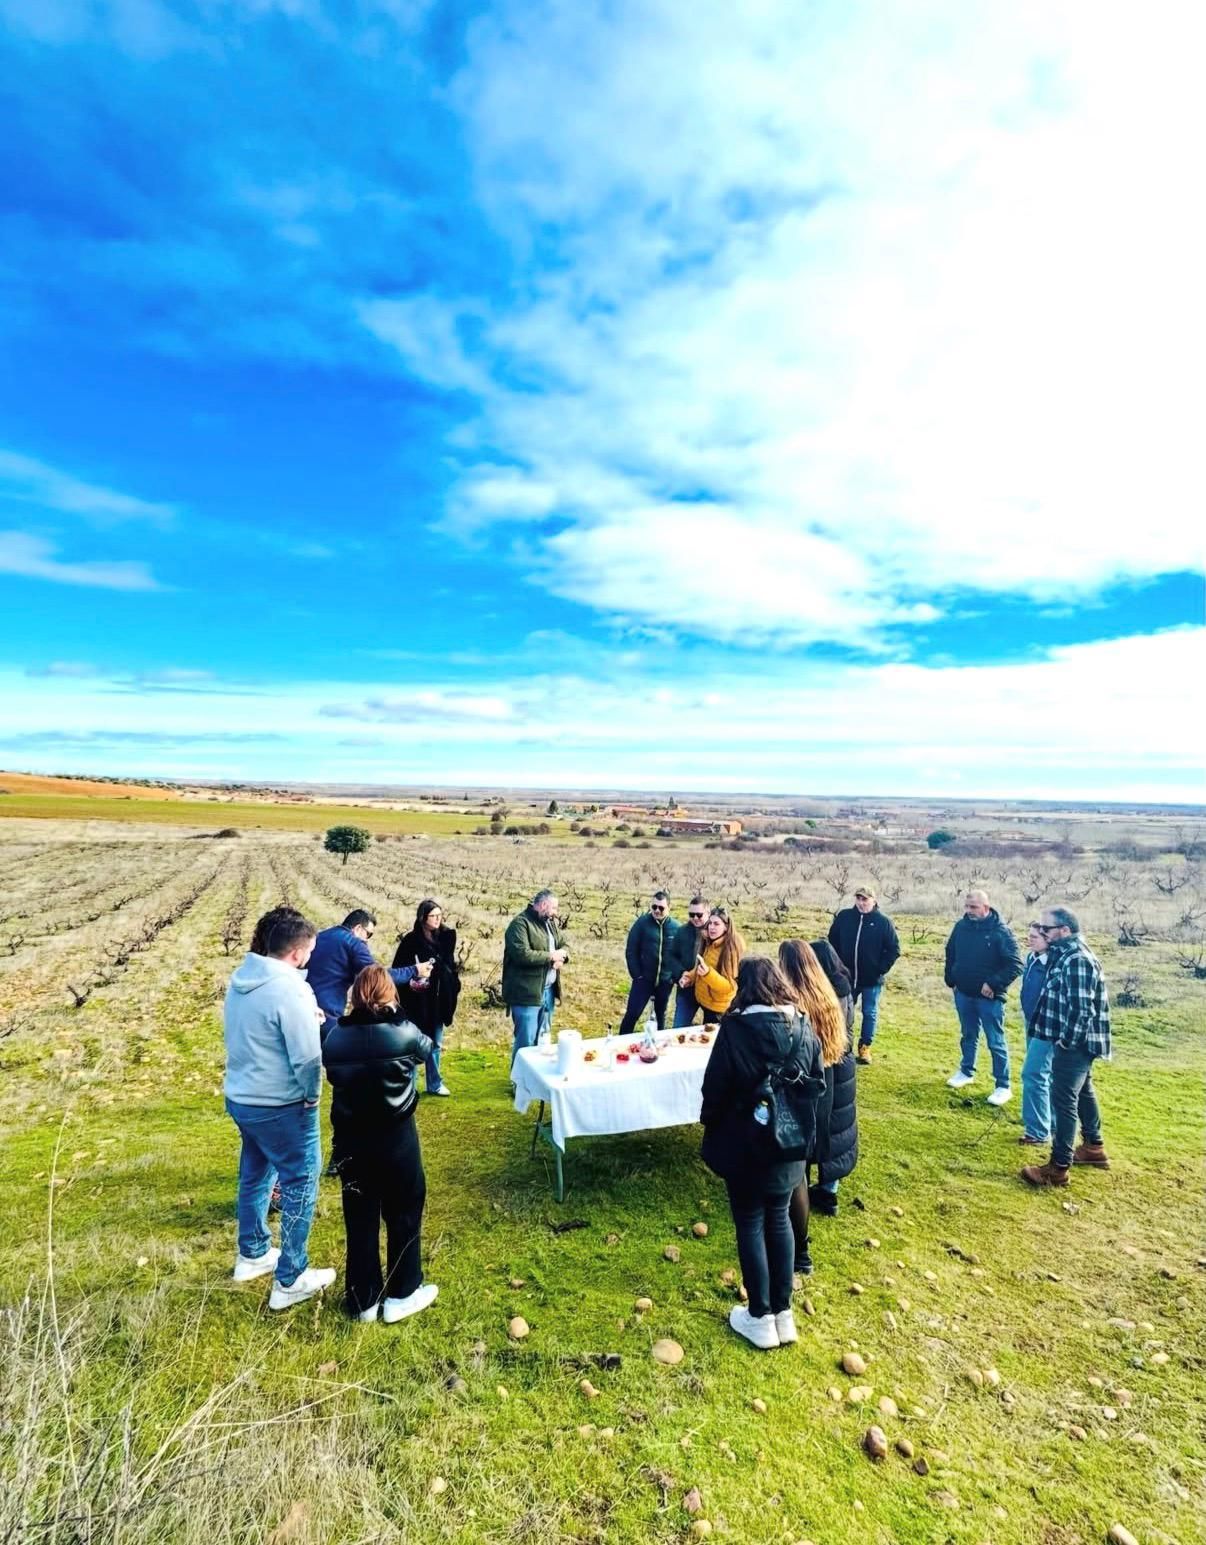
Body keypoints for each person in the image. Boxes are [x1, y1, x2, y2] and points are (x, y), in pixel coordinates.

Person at [700, 957, 824, 1350]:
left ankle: (759, 1315)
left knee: (751, 1221)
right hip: (790, 1143)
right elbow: (816, 1082)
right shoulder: (804, 1027)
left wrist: (714, 1121)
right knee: (779, 1219)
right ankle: (782, 1315)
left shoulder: (736, 1030)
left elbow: (714, 1087)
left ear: (746, 987)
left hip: (746, 1142)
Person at [223, 907, 336, 1310]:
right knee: (301, 1180)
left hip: (243, 1097)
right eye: (310, 951)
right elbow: (307, 1058)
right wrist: (312, 1095)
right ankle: (291, 1276)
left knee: (255, 1174)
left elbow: (261, 1028)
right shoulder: (292, 989)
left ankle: (252, 1254)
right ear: (297, 953)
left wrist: (310, 1016)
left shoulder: (242, 980)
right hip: (282, 1103)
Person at [322, 965, 439, 1321]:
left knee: (359, 1216)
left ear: (355, 995)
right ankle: (403, 1292)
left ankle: (363, 1299)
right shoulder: (403, 1032)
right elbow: (427, 1048)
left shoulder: (335, 1038)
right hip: (396, 1135)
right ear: (389, 993)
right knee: (404, 1210)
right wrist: (398, 1012)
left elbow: (330, 1067)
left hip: (352, 1137)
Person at [1021, 908, 1112, 1188]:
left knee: (1064, 1101)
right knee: (1084, 1092)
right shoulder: (1066, 955)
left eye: (1046, 928)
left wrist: (1065, 1042)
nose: (1042, 932)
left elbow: (1081, 1010)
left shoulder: (1077, 960)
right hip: (1075, 1041)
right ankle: (1093, 1148)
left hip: (1076, 1044)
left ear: (1064, 930)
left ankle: (1058, 1167)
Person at [778, 940, 855, 1272]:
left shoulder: (796, 1004)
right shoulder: (829, 995)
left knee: (798, 1167)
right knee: (821, 1147)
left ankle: (800, 1249)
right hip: (831, 1082)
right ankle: (826, 1194)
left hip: (807, 1087)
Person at [943, 890, 1022, 1106]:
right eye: (967, 906)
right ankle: (966, 1072)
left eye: (974, 907)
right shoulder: (961, 927)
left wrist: (993, 984)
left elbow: (1015, 964)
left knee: (995, 1041)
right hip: (963, 993)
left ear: (986, 907)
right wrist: (951, 979)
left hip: (989, 999)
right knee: (968, 1034)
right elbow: (950, 952)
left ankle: (1003, 1086)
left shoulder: (1000, 932)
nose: (969, 911)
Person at [307, 909, 431, 1041]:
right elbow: (378, 977)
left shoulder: (319, 936)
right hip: (329, 1015)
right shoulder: (353, 943)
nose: (367, 941)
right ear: (358, 928)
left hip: (305, 1009)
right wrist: (415, 970)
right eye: (368, 934)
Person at [393, 899, 461, 1097]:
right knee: (413, 1043)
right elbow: (399, 970)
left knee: (435, 1043)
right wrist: (415, 978)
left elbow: (450, 966)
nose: (438, 919)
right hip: (416, 1001)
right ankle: (410, 1087)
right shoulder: (411, 941)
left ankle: (435, 1082)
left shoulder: (446, 939)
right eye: (433, 916)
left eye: (440, 915)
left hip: (438, 1001)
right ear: (423, 917)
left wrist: (453, 984)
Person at [827, 885, 901, 1064]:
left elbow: (894, 949)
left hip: (871, 980)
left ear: (873, 901)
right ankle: (841, 1045)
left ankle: (865, 1047)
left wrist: (879, 968)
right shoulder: (844, 917)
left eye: (865, 899)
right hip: (846, 978)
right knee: (842, 1011)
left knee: (869, 1013)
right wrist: (837, 967)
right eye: (858, 898)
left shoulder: (883, 922)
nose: (861, 902)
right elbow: (832, 941)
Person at [502, 889, 569, 1063]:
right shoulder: (519, 924)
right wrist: (550, 957)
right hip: (526, 994)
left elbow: (563, 943)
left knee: (543, 1039)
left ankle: (536, 1081)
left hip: (548, 992)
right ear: (544, 905)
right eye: (554, 907)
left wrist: (563, 956)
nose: (556, 912)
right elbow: (521, 954)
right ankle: (518, 1082)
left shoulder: (549, 922)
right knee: (525, 1041)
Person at [617, 890, 680, 1035]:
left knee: (660, 1015)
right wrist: (637, 975)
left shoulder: (676, 928)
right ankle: (621, 1043)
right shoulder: (642, 923)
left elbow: (679, 955)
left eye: (661, 908)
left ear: (669, 908)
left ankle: (656, 1045)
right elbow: (631, 950)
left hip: (665, 982)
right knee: (632, 1014)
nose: (657, 910)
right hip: (643, 980)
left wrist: (672, 977)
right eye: (654, 907)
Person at [1018, 922, 1053, 1147]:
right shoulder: (1032, 958)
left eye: (1035, 937)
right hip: (1031, 1022)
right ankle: (1049, 1123)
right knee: (1044, 1074)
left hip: (1046, 1027)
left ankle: (1039, 1131)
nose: (1030, 940)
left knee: (1034, 1074)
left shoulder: (1052, 964)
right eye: (1028, 936)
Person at [686, 906, 744, 1022]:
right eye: (710, 923)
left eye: (716, 924)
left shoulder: (730, 949)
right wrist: (690, 976)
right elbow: (703, 966)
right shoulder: (710, 941)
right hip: (706, 1003)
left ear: (726, 927)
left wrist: (708, 974)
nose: (711, 927)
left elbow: (730, 986)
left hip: (718, 1010)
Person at [668, 894, 709, 1027]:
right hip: (687, 990)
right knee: (678, 1029)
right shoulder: (682, 931)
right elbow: (671, 956)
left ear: (708, 912)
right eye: (691, 915)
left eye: (699, 915)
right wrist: (681, 974)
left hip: (710, 991)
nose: (695, 918)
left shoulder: (716, 932)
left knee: (713, 1033)